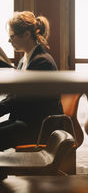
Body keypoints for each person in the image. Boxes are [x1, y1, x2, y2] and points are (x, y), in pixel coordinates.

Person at [0, 11, 63, 151]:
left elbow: (19, 99)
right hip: (25, 122)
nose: (9, 41)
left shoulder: (41, 62)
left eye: (12, 36)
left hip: (37, 128)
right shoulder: (25, 60)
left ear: (27, 35)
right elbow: (15, 96)